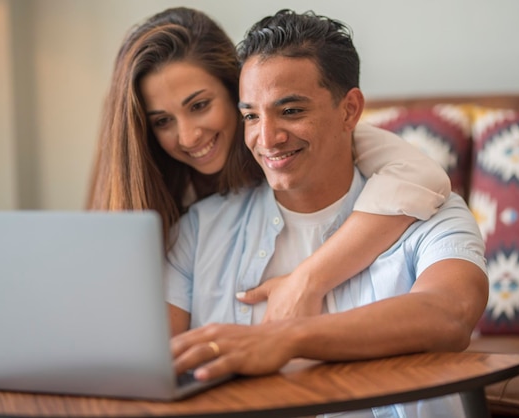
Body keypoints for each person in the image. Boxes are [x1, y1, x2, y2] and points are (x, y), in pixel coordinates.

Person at [167, 9, 489, 418]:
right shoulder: (198, 231)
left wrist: (286, 338)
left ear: (350, 110)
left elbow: (451, 313)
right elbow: (145, 365)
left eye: (291, 111)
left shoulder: (431, 215)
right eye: (251, 115)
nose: (266, 138)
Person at [86, 6, 452, 323]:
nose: (188, 137)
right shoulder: (177, 208)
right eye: (162, 121)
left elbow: (422, 177)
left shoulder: (330, 140)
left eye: (199, 106)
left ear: (237, 92)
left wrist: (306, 280)